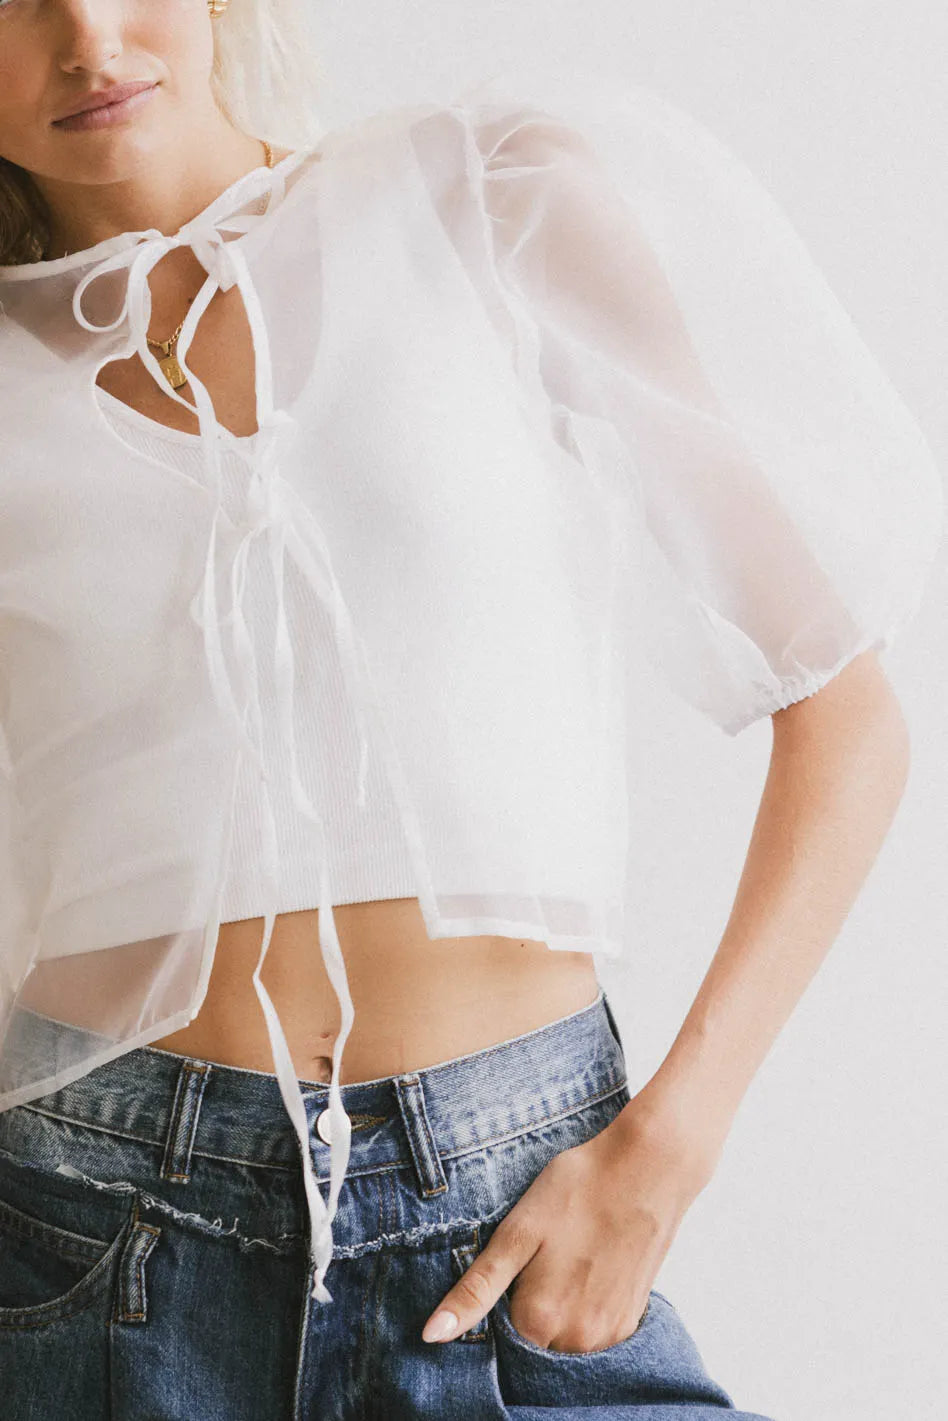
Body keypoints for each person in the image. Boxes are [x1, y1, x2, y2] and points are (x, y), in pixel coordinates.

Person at [0, 2, 941, 1417]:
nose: (87, 38)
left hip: (511, 1207)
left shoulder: (479, 195)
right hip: (87, 1230)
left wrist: (670, 1146)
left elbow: (844, 712)